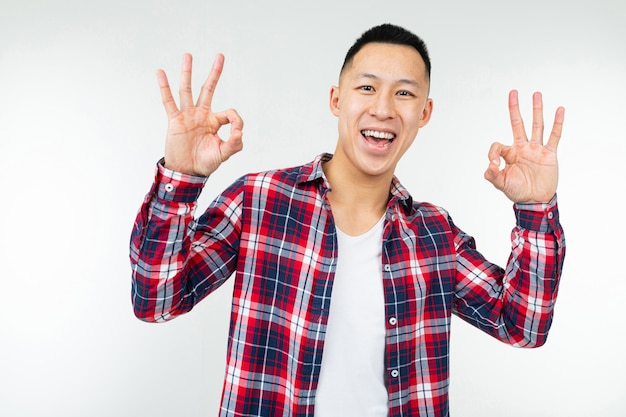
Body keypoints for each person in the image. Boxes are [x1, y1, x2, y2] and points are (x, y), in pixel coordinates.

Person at [130, 23, 565, 417]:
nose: (383, 108)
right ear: (337, 100)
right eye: (367, 88)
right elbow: (156, 300)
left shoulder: (435, 236)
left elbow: (522, 325)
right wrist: (180, 177)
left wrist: (536, 208)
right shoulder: (259, 201)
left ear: (424, 113)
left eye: (405, 93)